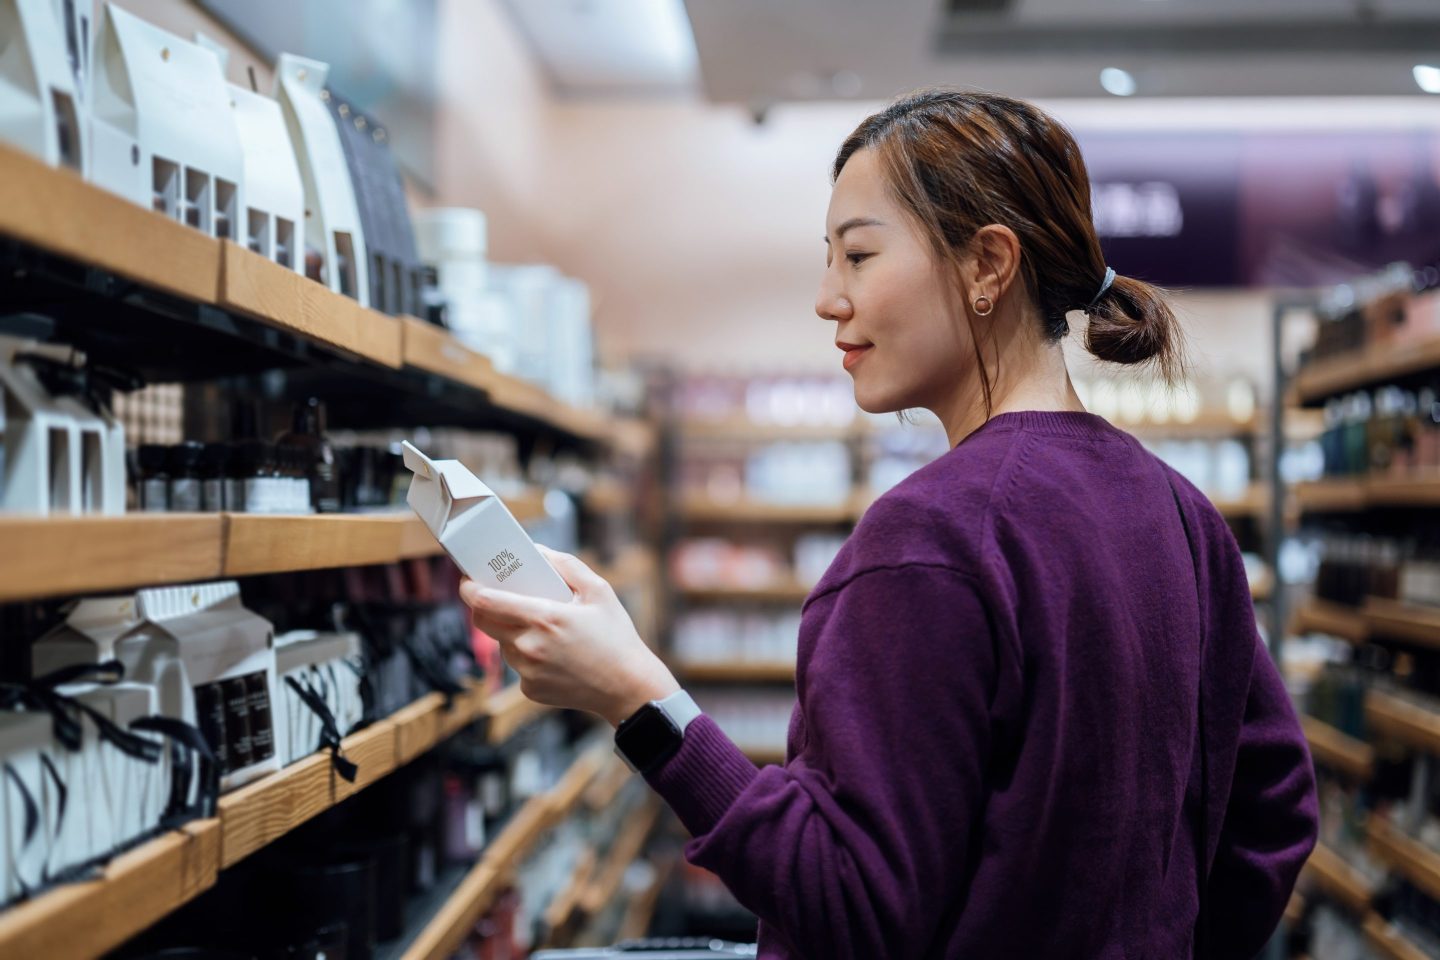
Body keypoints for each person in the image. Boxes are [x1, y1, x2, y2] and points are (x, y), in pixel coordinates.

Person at [459, 89, 1318, 959]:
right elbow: (1275, 811)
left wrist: (636, 697)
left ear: (989, 265)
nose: (828, 299)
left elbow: (849, 906)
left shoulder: (933, 540)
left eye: (859, 256)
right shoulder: (1180, 512)